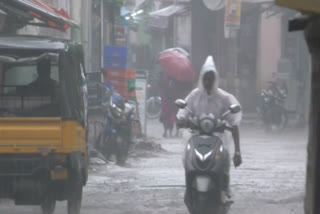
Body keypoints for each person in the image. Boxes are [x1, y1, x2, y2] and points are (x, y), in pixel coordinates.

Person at [177, 56, 242, 206]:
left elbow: (234, 124)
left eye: (210, 78)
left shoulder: (224, 98)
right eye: (205, 78)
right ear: (201, 78)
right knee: (187, 159)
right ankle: (189, 190)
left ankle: (225, 190)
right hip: (196, 139)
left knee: (224, 159)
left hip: (218, 140)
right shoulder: (194, 96)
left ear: (215, 79)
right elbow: (182, 114)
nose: (208, 82)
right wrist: (183, 121)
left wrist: (237, 152)